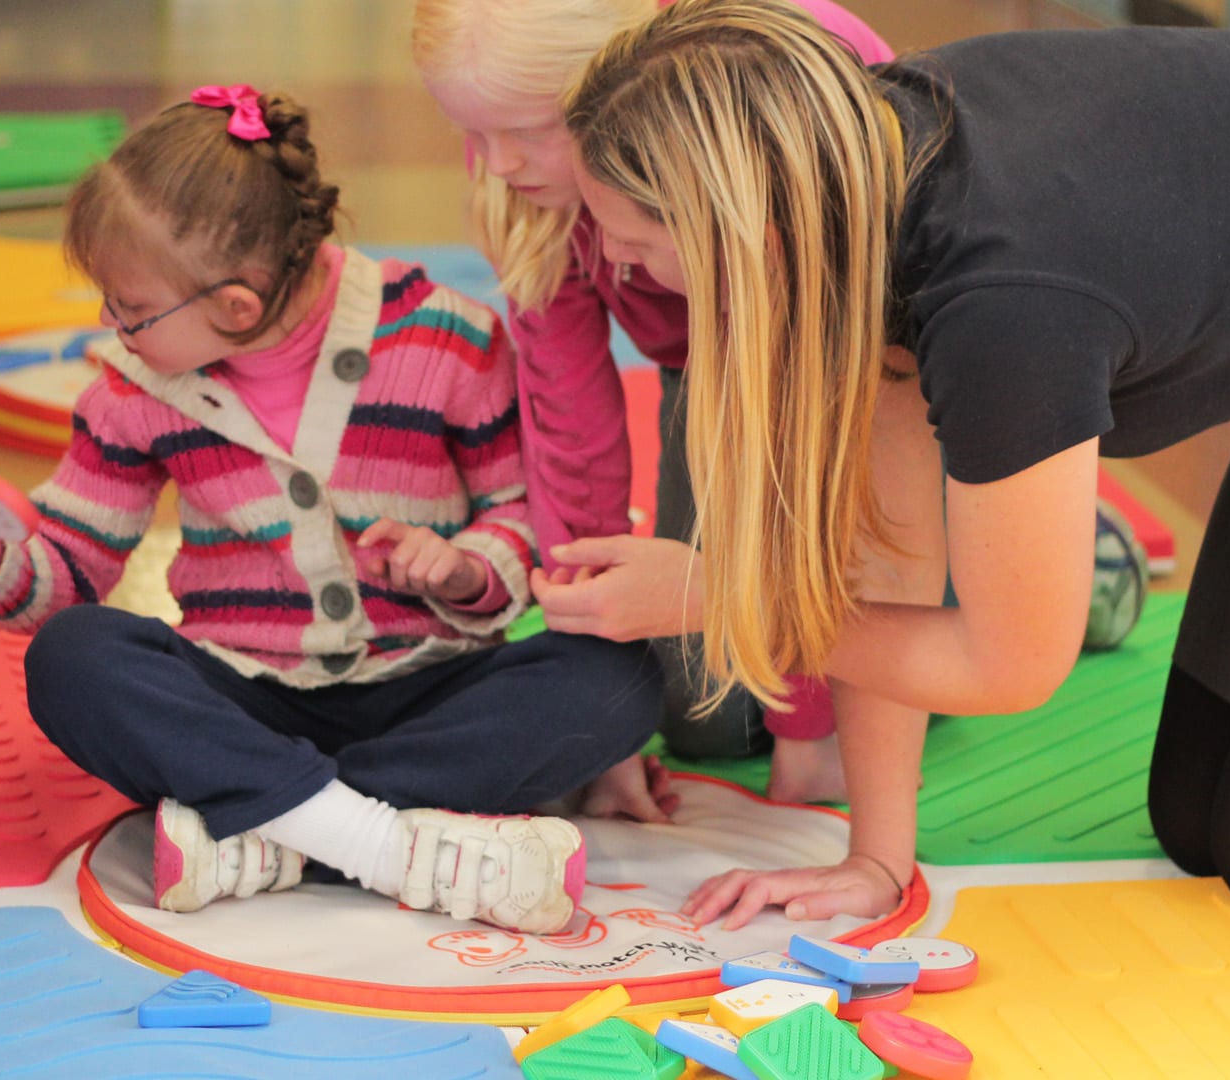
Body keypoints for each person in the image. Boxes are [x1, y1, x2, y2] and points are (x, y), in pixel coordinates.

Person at [555, 0, 1230, 928]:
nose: (621, 268)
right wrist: (876, 862)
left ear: (745, 229)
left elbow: (1008, 664)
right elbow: (883, 559)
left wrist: (714, 598)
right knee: (1200, 816)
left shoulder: (999, 299)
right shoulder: (863, 175)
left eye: (641, 245)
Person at [0, 85, 661, 935]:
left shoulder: (448, 336)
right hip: (247, 694)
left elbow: (522, 515)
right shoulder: (135, 390)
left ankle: (279, 831)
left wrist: (462, 566)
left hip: (426, 684)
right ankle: (385, 839)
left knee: (615, 679)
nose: (112, 327)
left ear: (237, 305)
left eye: (133, 309)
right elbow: (69, 576)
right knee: (74, 658)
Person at [411, 0, 1149, 812]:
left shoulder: (778, 64)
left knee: (899, 641)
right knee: (700, 720)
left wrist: (814, 740)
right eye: (470, 135)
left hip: (858, 371)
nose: (498, 164)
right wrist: (598, 727)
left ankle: (1041, 551)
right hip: (700, 368)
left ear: (609, 91)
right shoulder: (524, 178)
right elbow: (571, 435)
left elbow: (837, 454)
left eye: (526, 130)